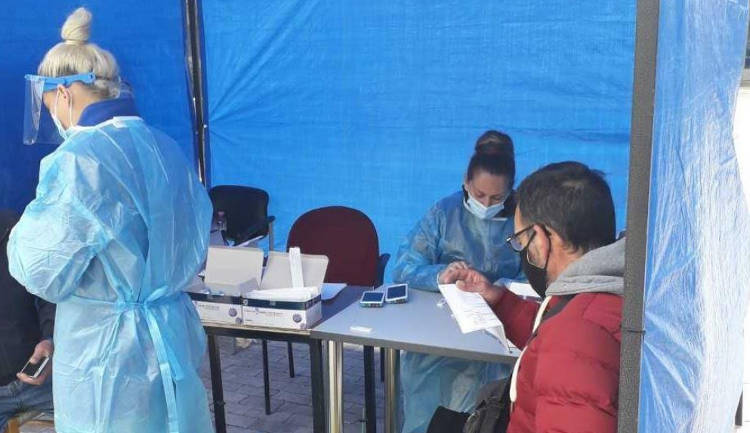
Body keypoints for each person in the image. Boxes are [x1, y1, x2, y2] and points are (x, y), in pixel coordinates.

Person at [8, 8, 213, 433]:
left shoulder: (79, 161)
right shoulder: (164, 148)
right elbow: (192, 239)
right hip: (169, 333)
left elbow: (41, 270)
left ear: (63, 94)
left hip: (105, 352)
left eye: (49, 105)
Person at [444, 161, 624, 432]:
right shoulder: (603, 292)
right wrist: (500, 300)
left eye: (520, 241)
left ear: (540, 239)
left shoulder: (576, 334)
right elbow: (557, 334)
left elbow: (570, 345)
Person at [392, 130, 522, 433]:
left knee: (489, 416)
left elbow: (538, 276)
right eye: (479, 195)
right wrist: (441, 275)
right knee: (427, 417)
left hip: (497, 339)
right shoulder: (443, 212)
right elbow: (404, 266)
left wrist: (499, 288)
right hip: (438, 337)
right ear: (466, 180)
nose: (486, 204)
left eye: (497, 198)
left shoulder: (522, 219)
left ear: (511, 190)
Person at [0, 210, 55, 432]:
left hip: (45, 374)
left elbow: (52, 291)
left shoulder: (20, 230)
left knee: (102, 418)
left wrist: (51, 338)